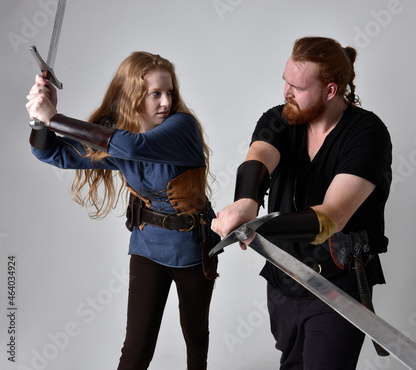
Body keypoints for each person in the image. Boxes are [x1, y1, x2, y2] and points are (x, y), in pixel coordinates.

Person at [26, 51, 220, 370]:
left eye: (169, 92)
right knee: (135, 349)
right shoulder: (118, 136)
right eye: (155, 93)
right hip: (146, 247)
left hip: (193, 249)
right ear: (132, 95)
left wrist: (54, 118)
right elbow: (51, 153)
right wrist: (39, 116)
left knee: (194, 334)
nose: (165, 102)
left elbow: (134, 147)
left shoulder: (182, 127)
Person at [211, 36, 392, 369]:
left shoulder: (367, 134)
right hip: (283, 279)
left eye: (298, 86)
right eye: (285, 81)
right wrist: (245, 203)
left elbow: (331, 218)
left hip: (337, 287)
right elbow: (260, 156)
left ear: (330, 90)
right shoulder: (281, 118)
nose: (286, 92)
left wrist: (254, 227)